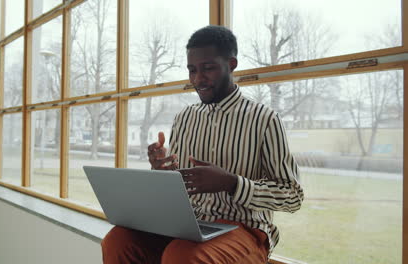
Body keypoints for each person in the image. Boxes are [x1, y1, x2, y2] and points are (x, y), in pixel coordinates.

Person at [101, 25, 304, 264]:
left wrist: (231, 183)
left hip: (244, 229)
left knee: (182, 257)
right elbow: (178, 186)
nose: (198, 79)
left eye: (208, 68)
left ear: (231, 64)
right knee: (117, 240)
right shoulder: (184, 118)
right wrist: (160, 173)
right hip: (187, 226)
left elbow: (292, 196)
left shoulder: (265, 119)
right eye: (192, 70)